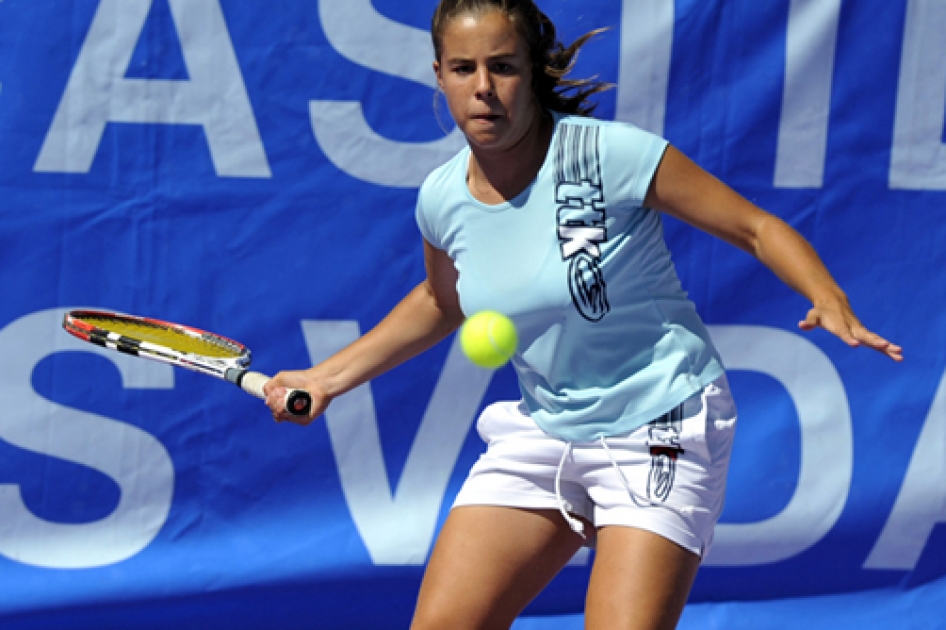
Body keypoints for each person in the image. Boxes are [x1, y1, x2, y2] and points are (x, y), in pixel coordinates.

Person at [265, 1, 903, 627]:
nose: (483, 89)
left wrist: (826, 295)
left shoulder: (611, 154)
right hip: (545, 427)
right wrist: (324, 379)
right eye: (463, 69)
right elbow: (441, 299)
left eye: (503, 67)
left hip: (661, 421)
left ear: (533, 70)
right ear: (439, 75)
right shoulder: (441, 198)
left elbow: (755, 227)